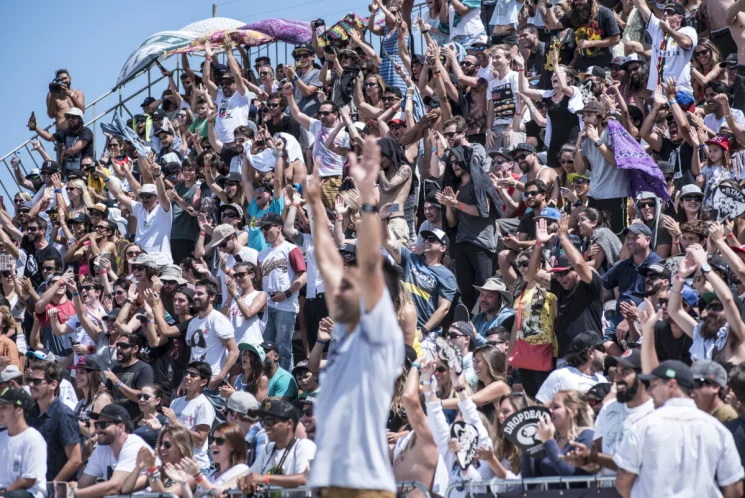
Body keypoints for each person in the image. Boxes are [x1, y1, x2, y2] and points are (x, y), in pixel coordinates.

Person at [303, 138, 405, 496]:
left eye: (349, 287)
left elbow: (371, 264)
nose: (337, 290)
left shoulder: (379, 333)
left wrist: (366, 202)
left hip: (364, 486)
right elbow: (328, 263)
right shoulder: (346, 332)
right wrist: (315, 204)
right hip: (332, 483)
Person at [615, 360, 745, 497]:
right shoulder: (717, 429)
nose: (649, 392)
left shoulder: (643, 426)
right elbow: (734, 488)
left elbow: (623, 480)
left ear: (672, 385)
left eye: (653, 385)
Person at [565, 349, 655, 476]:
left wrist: (594, 458)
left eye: (625, 373)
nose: (617, 379)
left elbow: (638, 465)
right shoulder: (608, 409)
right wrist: (586, 461)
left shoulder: (655, 413)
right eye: (617, 372)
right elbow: (597, 462)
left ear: (642, 376)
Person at [384, 228, 456, 357]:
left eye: (432, 240)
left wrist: (423, 331)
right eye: (426, 239)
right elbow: (387, 241)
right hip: (400, 326)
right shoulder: (411, 258)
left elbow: (444, 308)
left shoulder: (446, 276)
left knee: (421, 374)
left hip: (425, 335)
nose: (426, 242)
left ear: (443, 248)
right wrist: (383, 219)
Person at [257, 212, 307, 370]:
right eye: (262, 229)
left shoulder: (291, 249)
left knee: (283, 348)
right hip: (268, 306)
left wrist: (286, 293)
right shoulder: (261, 255)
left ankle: (286, 384)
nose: (264, 231)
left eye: (267, 227)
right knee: (266, 348)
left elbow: (303, 275)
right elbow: (259, 282)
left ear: (279, 227)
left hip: (286, 306)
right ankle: (270, 380)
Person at [239, 399, 317, 493]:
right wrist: (243, 480)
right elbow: (252, 476)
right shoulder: (269, 448)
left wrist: (266, 478)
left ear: (289, 423)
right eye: (263, 421)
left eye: (269, 420)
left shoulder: (303, 445)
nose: (265, 426)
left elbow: (304, 479)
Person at [104, 162, 173, 266]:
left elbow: (162, 195)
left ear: (156, 198)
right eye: (142, 196)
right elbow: (119, 195)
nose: (144, 198)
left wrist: (157, 175)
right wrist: (106, 178)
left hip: (160, 261)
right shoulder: (139, 208)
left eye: (148, 196)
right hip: (140, 261)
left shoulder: (163, 209)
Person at [77, 405, 153, 498]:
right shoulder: (102, 448)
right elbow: (83, 484)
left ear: (121, 427)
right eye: (96, 425)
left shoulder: (134, 446)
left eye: (102, 425)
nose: (97, 430)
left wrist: (75, 494)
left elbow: (114, 487)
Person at [25, 361, 82, 482]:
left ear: (53, 384)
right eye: (30, 380)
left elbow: (75, 459)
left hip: (54, 489)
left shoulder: (64, 415)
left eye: (37, 381)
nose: (31, 385)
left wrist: (52, 487)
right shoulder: (30, 412)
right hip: (31, 485)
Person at [521, 390, 595, 478]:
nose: (549, 410)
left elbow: (572, 476)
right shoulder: (551, 438)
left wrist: (549, 441)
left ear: (573, 412)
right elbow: (530, 480)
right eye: (550, 406)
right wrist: (527, 446)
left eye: (556, 407)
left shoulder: (587, 436)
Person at [632, 1, 698, 94]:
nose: (665, 14)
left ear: (680, 17)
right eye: (664, 11)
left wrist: (668, 29)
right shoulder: (657, 28)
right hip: (658, 92)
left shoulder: (688, 31)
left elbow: (686, 43)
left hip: (679, 90)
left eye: (670, 12)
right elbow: (641, 5)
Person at [186, 279, 239, 388]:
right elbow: (193, 353)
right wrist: (185, 379)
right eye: (195, 293)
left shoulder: (218, 319)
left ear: (212, 296)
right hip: (194, 381)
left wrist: (220, 377)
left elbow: (234, 351)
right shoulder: (193, 323)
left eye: (200, 293)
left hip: (212, 381)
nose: (195, 296)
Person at [166, 361, 216, 474]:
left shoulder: (204, 405)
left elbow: (200, 440)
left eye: (193, 375)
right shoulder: (175, 402)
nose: (187, 377)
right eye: (186, 373)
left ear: (203, 382)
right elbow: (167, 431)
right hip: (175, 465)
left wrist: (176, 423)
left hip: (196, 467)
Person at [0, 387, 47, 498]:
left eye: (4, 407)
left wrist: (4, 491)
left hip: (28, 493)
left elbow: (28, 480)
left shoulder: (33, 439)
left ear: (19, 410)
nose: (0, 411)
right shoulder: (1, 437)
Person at [535, 332, 608, 403]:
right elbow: (540, 408)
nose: (606, 354)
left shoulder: (602, 381)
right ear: (590, 353)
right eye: (602, 349)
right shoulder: (560, 376)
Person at [103, 333, 155, 421]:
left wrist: (118, 383)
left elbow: (142, 398)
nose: (118, 348)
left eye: (123, 346)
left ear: (135, 349)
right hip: (117, 420)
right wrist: (104, 391)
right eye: (118, 345)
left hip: (136, 422)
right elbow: (110, 394)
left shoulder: (144, 369)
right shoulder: (115, 369)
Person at [32, 107, 94, 174]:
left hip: (84, 170)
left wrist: (65, 151)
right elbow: (49, 137)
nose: (70, 119)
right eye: (69, 117)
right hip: (69, 171)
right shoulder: (66, 132)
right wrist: (35, 127)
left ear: (80, 120)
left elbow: (75, 149)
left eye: (73, 117)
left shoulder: (86, 132)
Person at [225, 391, 266, 466]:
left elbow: (260, 472)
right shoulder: (239, 437)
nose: (226, 417)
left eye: (226, 412)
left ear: (234, 414)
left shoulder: (261, 436)